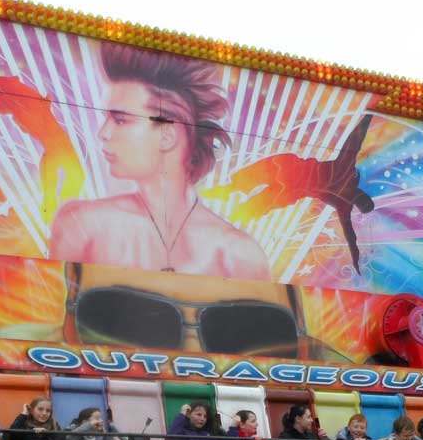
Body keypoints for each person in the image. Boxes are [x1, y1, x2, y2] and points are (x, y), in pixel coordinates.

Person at [49, 43, 269, 279]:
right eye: (107, 118)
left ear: (167, 135)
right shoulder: (81, 226)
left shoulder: (240, 256)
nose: (103, 133)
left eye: (121, 120)